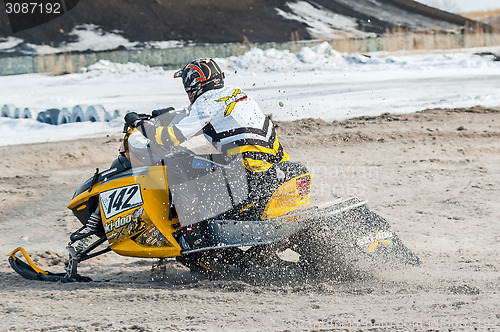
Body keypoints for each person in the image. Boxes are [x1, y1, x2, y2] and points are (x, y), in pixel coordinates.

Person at [124, 58, 290, 173]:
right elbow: (210, 114)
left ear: (193, 84)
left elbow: (168, 138)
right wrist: (168, 115)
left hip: (249, 166)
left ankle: (189, 224)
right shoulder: (236, 92)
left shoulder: (204, 103)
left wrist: (138, 122)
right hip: (276, 158)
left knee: (176, 164)